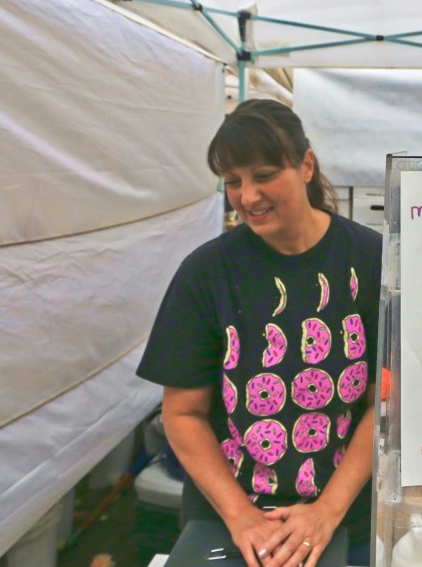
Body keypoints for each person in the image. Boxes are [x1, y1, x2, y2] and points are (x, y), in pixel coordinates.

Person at [137, 99, 382, 566]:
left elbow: (384, 404)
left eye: (264, 174)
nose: (247, 196)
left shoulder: (370, 260)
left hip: (348, 516)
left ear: (306, 165)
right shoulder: (206, 273)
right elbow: (183, 414)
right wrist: (242, 516)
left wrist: (326, 513)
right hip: (227, 519)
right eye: (233, 181)